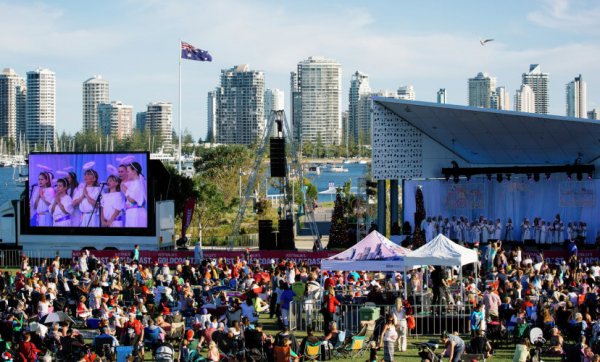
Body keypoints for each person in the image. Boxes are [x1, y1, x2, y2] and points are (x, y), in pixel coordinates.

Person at [121, 162, 147, 227]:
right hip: (131, 213)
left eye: (128, 171)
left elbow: (132, 200)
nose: (127, 173)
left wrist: (124, 190)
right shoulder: (133, 183)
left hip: (136, 213)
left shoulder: (139, 183)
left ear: (134, 171)